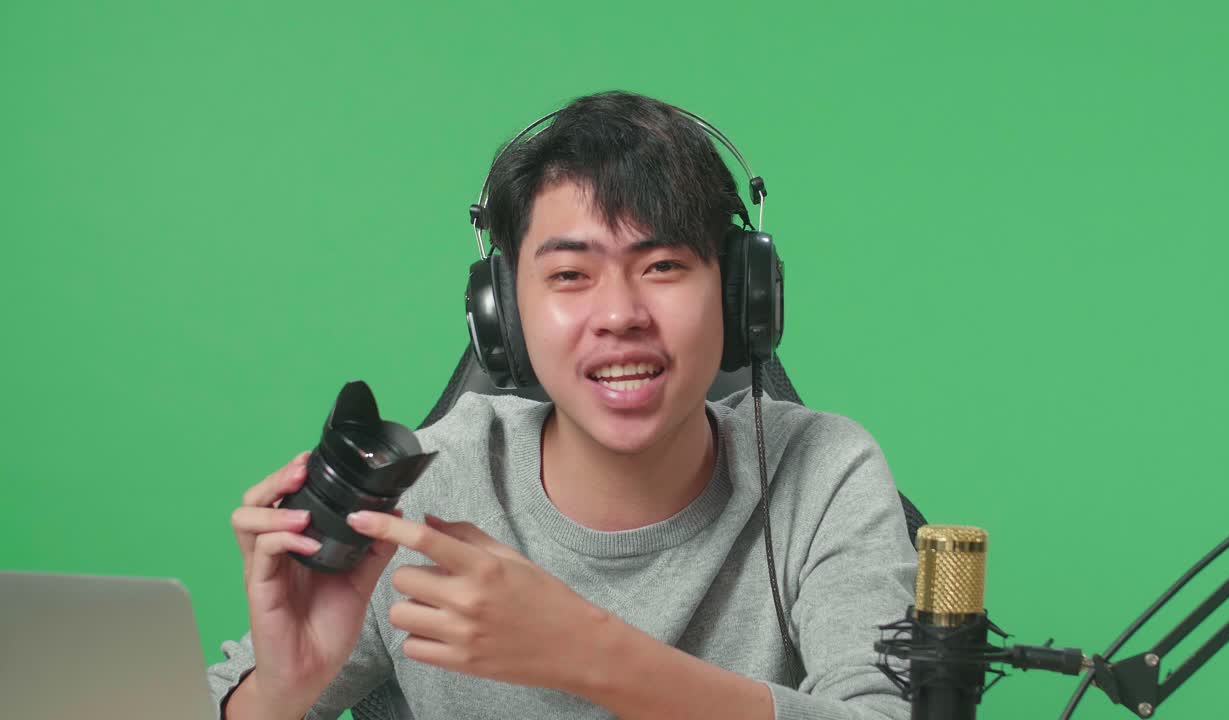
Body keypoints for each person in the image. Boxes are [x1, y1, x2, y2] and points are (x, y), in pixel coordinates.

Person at [207, 90, 917, 720]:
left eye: (663, 266)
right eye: (571, 274)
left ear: (741, 295)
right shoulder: (424, 496)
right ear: (504, 314)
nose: (619, 314)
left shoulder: (824, 475)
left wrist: (584, 652)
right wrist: (279, 694)